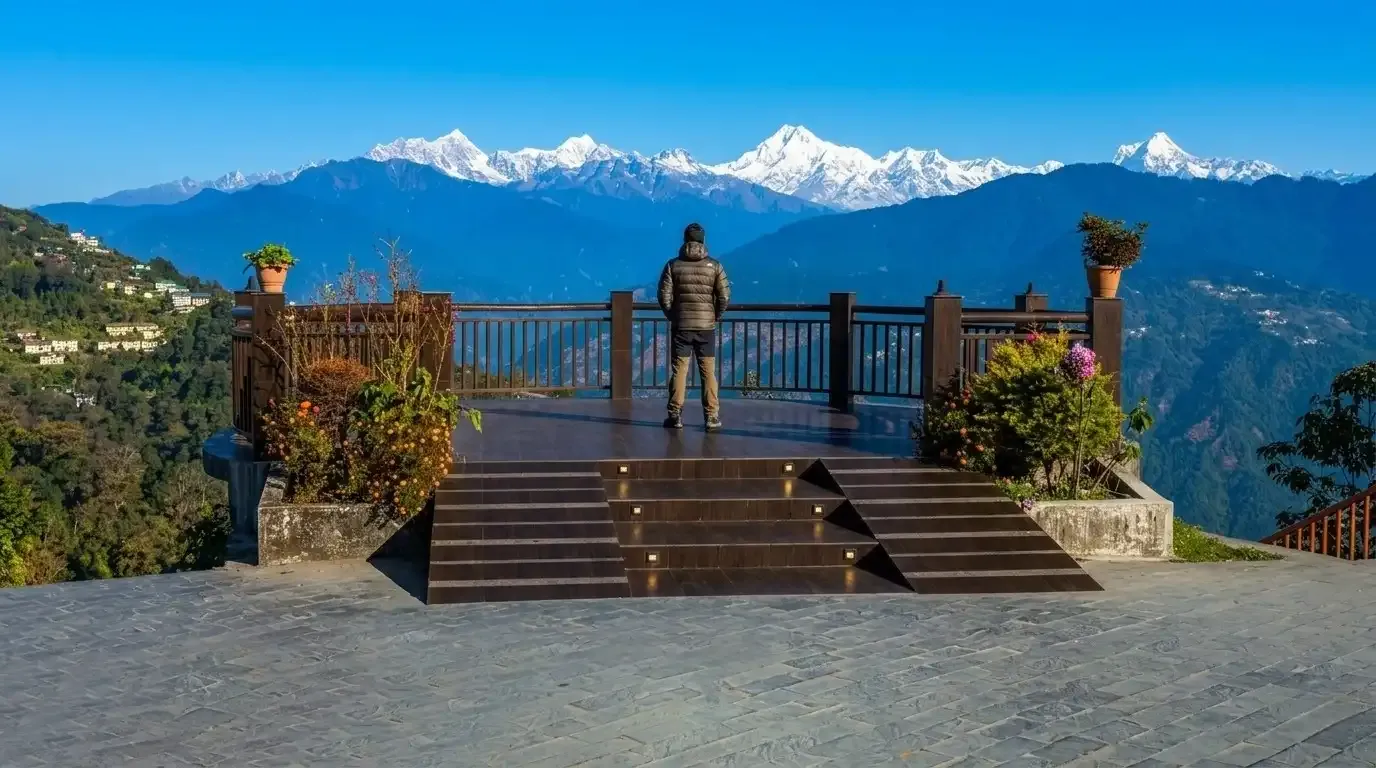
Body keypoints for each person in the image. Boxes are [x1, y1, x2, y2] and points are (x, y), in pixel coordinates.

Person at [657, 222, 729, 430]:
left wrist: (673, 314)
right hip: (706, 328)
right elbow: (724, 295)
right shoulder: (715, 266)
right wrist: (715, 315)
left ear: (685, 240)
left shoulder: (673, 265)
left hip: (681, 326)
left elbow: (664, 295)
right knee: (708, 372)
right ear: (703, 240)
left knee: (680, 371)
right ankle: (711, 416)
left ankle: (675, 415)